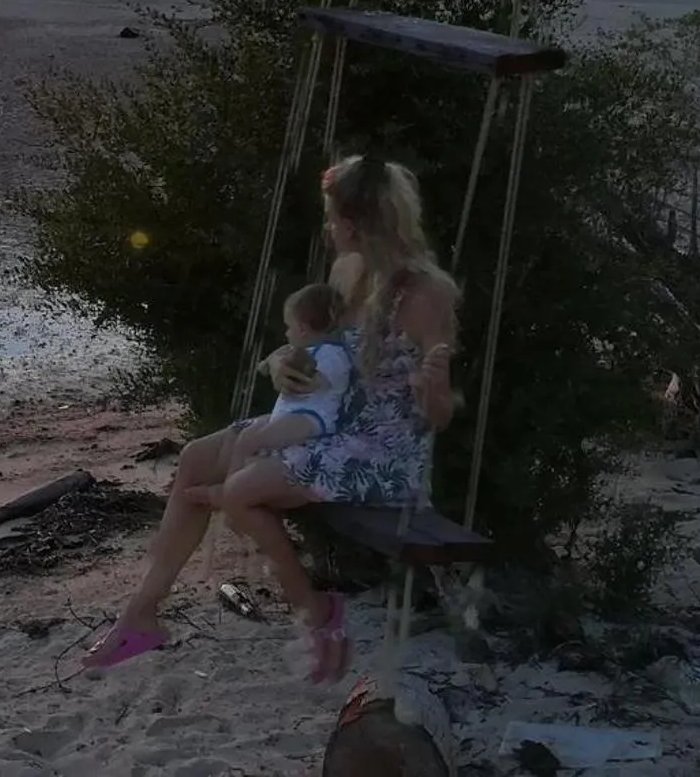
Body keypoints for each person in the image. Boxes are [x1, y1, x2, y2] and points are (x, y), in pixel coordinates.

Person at [82, 156, 461, 683]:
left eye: (331, 219)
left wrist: (432, 387)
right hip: (326, 423)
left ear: (355, 223)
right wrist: (284, 363)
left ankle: (315, 611)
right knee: (195, 458)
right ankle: (142, 615)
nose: (327, 229)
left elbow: (438, 417)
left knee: (239, 490)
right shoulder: (347, 273)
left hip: (381, 451)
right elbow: (318, 350)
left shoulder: (424, 294)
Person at [224, 283, 352, 469]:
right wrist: (267, 364)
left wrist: (303, 370)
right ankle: (232, 480)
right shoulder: (301, 349)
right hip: (289, 413)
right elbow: (268, 363)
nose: (286, 333)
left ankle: (234, 483)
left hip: (311, 417)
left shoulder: (333, 354)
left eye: (288, 327)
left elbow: (318, 382)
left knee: (257, 441)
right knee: (245, 437)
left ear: (301, 329)